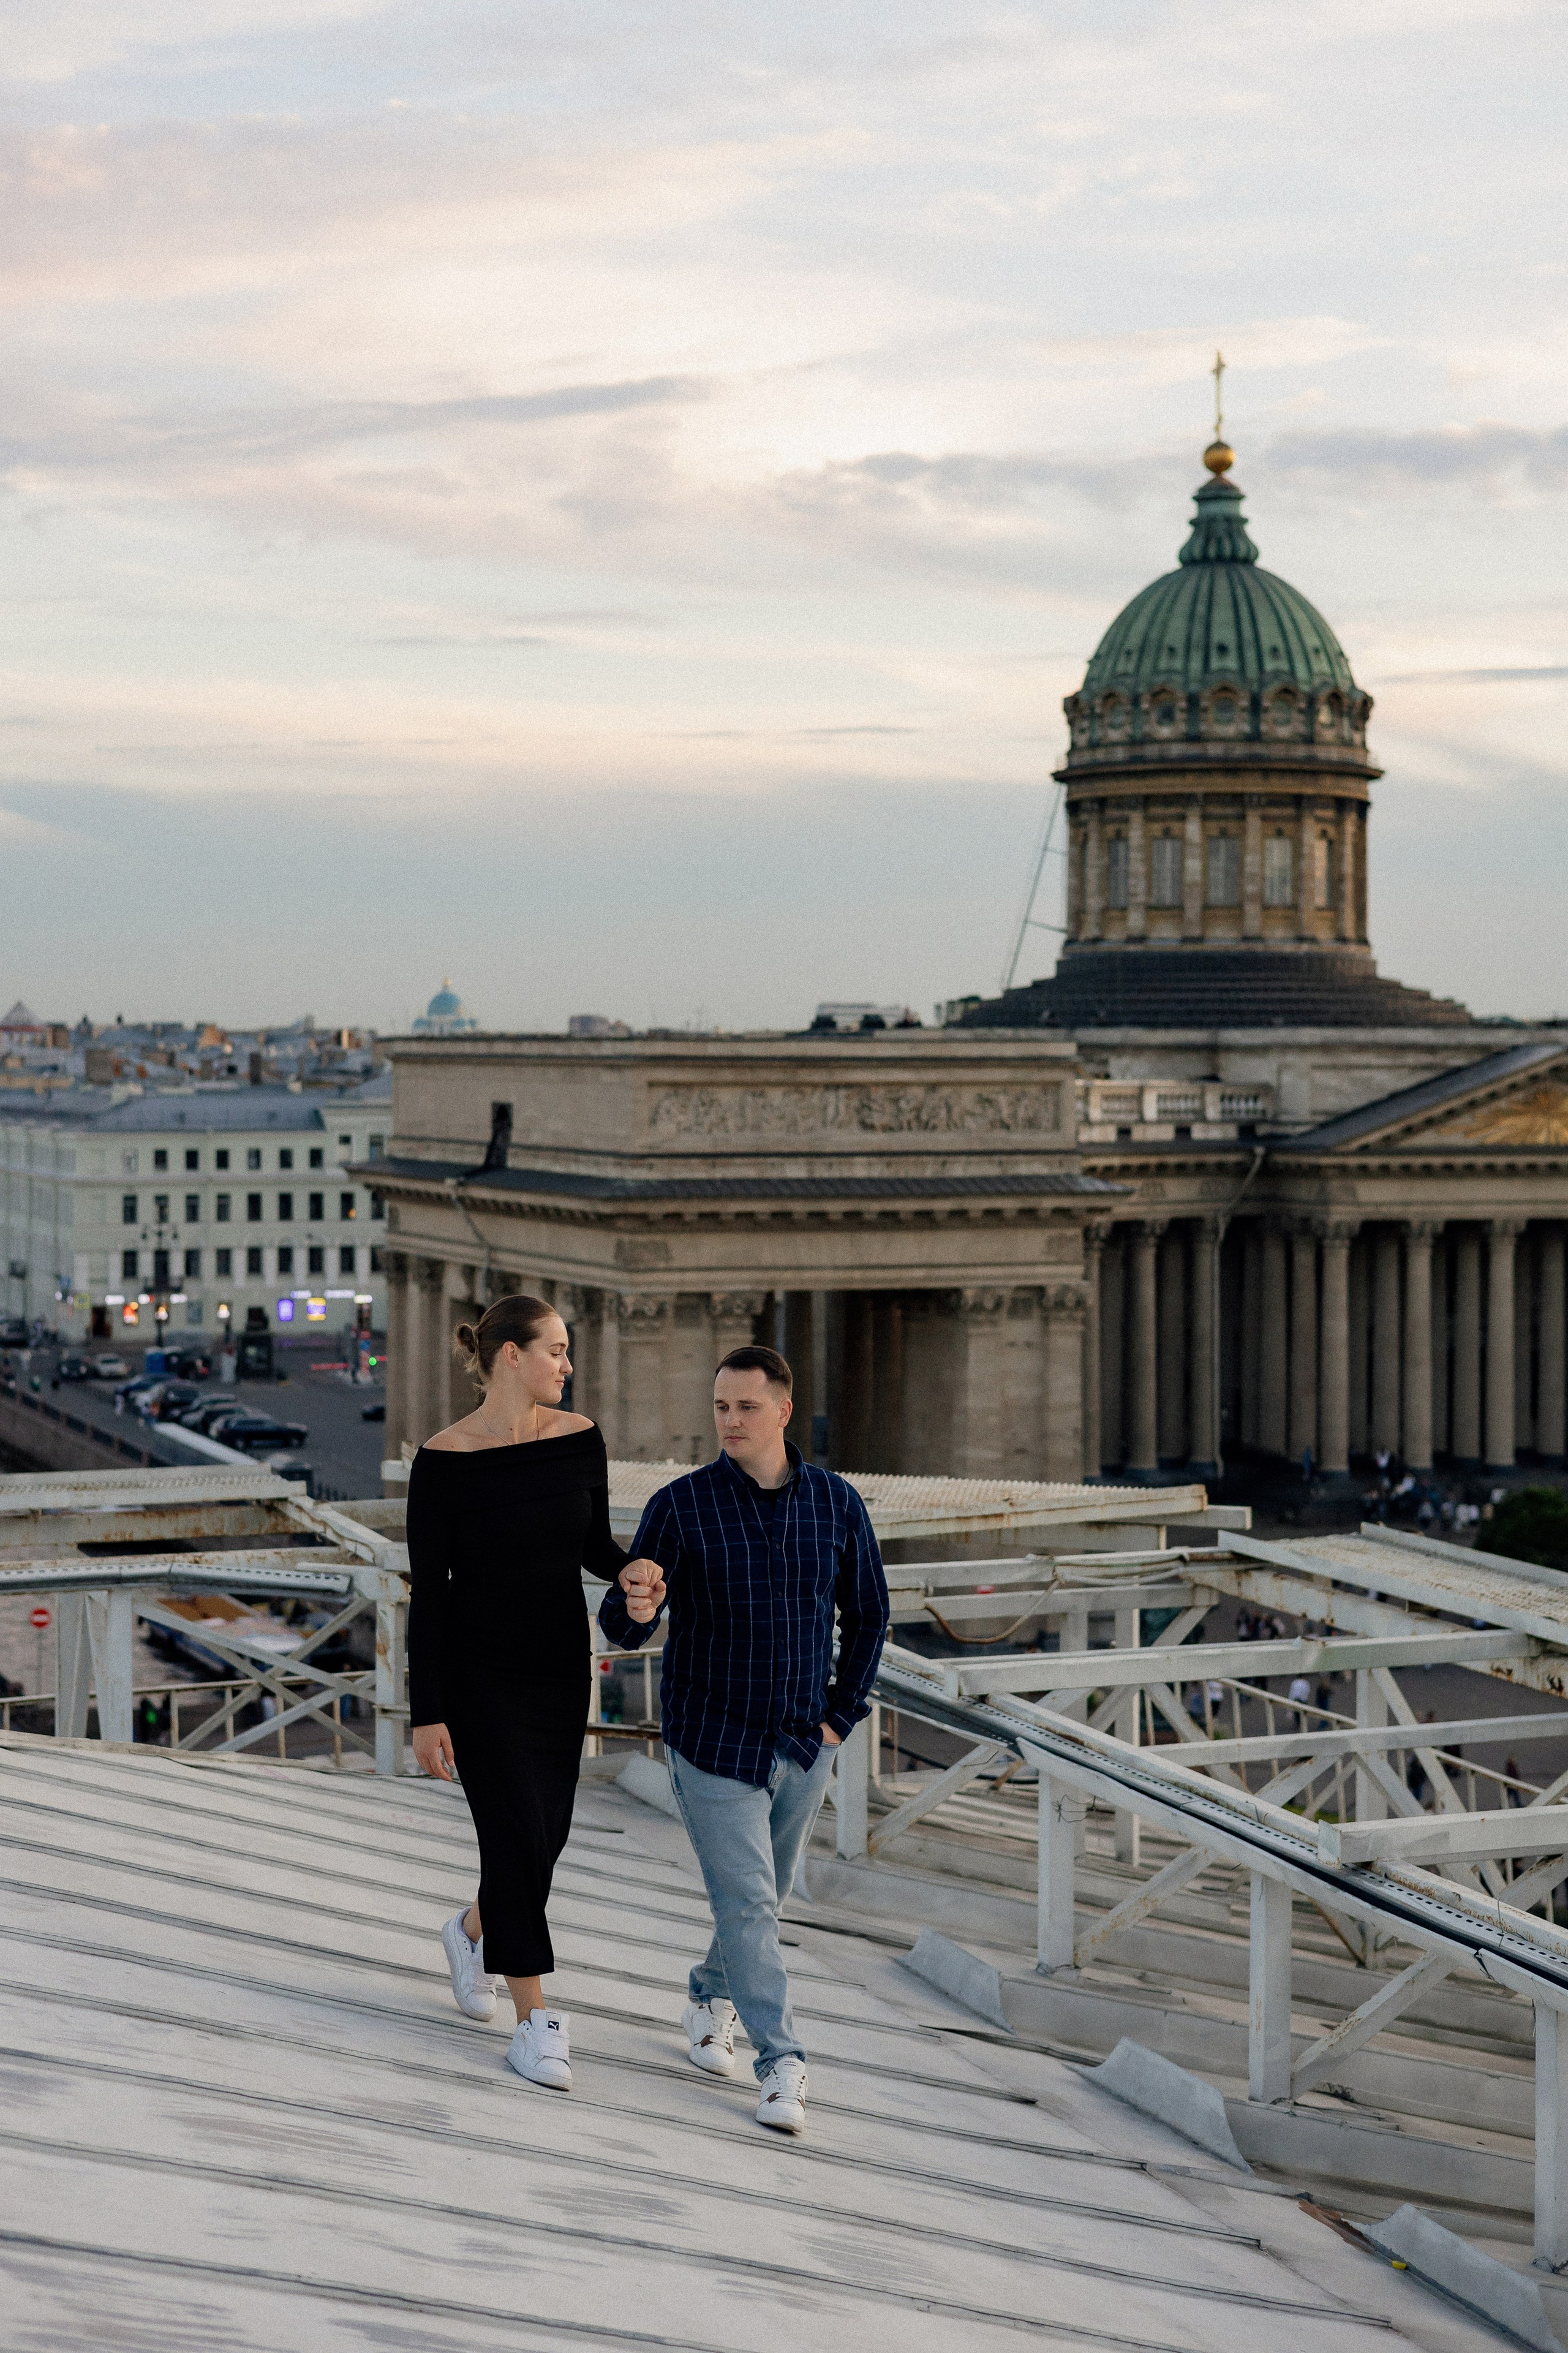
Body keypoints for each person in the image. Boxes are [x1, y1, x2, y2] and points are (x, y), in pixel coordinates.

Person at [599, 1343, 889, 2139]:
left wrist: (839, 1717)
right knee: (752, 1901)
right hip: (711, 1737)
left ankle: (706, 1992)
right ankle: (783, 2062)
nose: (730, 1419)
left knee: (767, 1895)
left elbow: (870, 1615)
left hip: (804, 1738)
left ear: (784, 1412)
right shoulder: (681, 1505)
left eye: (746, 1407)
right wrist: (639, 1601)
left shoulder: (836, 1503)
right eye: (721, 1406)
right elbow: (622, 1621)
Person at [407, 1293, 648, 2093]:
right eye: (556, 1351)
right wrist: (426, 1710)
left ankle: (472, 1930)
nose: (568, 1366)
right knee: (514, 1833)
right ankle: (535, 2022)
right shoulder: (442, 1460)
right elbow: (430, 1596)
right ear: (511, 1354)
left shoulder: (580, 1440)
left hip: (557, 1670)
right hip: (478, 1675)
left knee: (541, 1840)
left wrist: (631, 1570)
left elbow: (592, 1544)